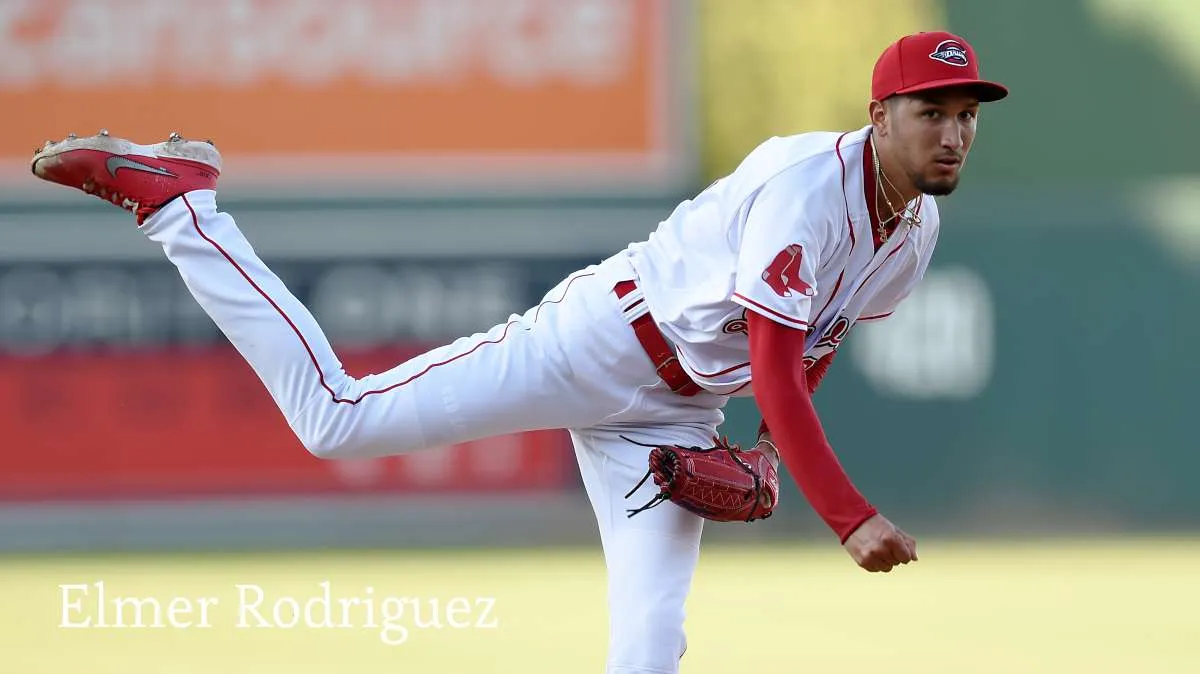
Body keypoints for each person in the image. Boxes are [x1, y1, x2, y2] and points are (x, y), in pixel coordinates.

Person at [31, 30, 1006, 674]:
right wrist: (845, 512)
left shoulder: (912, 232)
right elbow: (778, 349)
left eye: (966, 114)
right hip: (598, 341)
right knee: (336, 417)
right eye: (932, 110)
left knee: (650, 642)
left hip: (673, 416)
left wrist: (754, 443)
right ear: (879, 115)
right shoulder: (808, 189)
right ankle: (185, 204)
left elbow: (810, 351)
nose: (954, 133)